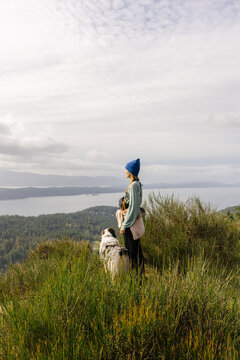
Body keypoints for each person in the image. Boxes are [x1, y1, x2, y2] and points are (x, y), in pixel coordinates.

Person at [120, 158, 144, 274]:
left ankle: (135, 279)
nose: (125, 171)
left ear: (131, 171)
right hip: (133, 222)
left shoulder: (134, 185)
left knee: (132, 252)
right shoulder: (137, 184)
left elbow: (134, 207)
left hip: (130, 225)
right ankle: (140, 277)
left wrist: (125, 225)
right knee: (136, 251)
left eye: (126, 169)